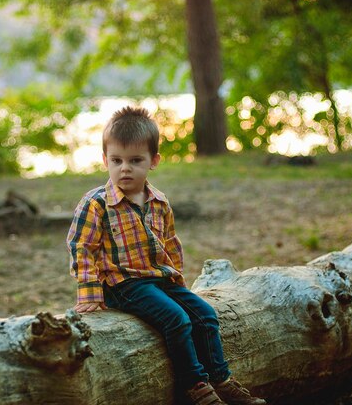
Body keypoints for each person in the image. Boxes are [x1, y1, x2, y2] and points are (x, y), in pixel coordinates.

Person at [67, 106, 266, 405]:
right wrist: (90, 293)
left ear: (153, 161)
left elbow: (170, 244)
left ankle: (221, 378)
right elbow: (81, 246)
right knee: (176, 319)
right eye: (116, 160)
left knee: (205, 315)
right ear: (105, 159)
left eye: (135, 161)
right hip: (123, 285)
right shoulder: (96, 204)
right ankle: (195, 385)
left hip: (160, 279)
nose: (125, 168)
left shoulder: (159, 202)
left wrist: (178, 284)